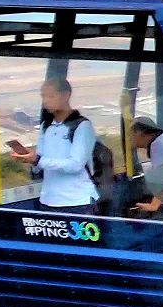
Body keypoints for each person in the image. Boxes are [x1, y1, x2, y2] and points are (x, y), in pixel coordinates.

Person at [6, 76, 99, 212]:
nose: (46, 101)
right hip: (49, 201)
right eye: (43, 97)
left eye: (51, 96)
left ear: (66, 96)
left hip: (77, 201)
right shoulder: (46, 126)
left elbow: (75, 165)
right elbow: (42, 163)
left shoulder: (82, 126)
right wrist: (31, 160)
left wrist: (38, 160)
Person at [129, 118, 163, 214]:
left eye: (130, 134)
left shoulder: (158, 145)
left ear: (139, 133)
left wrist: (154, 205)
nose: (129, 138)